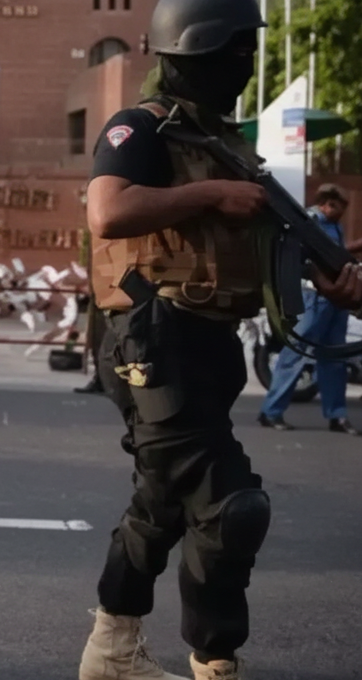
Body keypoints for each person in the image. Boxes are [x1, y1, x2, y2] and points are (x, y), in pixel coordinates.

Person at [80, 2, 362, 678]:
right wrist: (209, 193)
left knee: (161, 501)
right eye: (236, 51)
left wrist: (330, 277)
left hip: (209, 344)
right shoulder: (140, 127)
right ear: (196, 51)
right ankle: (216, 660)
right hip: (150, 337)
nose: (245, 64)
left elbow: (263, 241)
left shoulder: (228, 145)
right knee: (231, 505)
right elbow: (107, 212)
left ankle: (111, 650)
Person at [258, 184, 359, 435]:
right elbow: (300, 257)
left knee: (334, 357)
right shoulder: (309, 221)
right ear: (327, 203)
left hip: (335, 298)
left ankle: (337, 415)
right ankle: (271, 411)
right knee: (296, 353)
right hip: (313, 297)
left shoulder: (334, 225)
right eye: (339, 206)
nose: (341, 212)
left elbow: (335, 256)